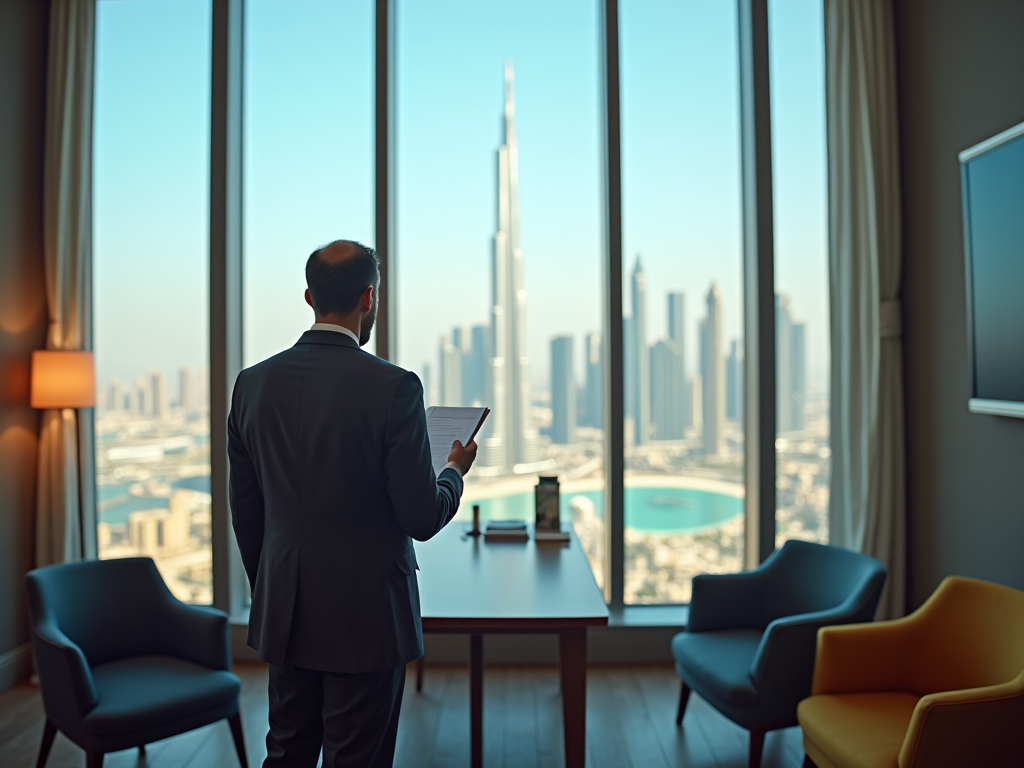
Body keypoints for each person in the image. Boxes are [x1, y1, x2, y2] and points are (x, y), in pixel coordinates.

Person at [228, 240, 477, 767]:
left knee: (287, 753)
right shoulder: (395, 387)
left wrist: (274, 591)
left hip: (287, 614)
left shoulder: (251, 386)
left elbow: (246, 515)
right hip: (367, 622)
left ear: (308, 296)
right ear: (369, 298)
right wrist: (453, 473)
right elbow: (421, 516)